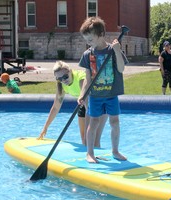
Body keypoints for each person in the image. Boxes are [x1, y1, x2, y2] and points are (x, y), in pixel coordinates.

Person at [78, 16, 127, 163]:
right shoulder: (88, 55)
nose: (88, 43)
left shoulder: (113, 50)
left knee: (115, 122)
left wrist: (118, 51)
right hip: (95, 96)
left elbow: (121, 68)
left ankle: (115, 151)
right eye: (86, 39)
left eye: (90, 39)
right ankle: (90, 153)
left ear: (101, 35)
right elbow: (87, 78)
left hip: (111, 94)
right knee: (93, 123)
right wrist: (82, 94)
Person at [38, 61, 108, 146]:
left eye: (65, 77)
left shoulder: (80, 79)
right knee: (85, 142)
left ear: (70, 71)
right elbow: (56, 107)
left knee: (93, 139)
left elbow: (87, 101)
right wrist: (45, 127)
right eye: (59, 79)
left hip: (100, 103)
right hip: (84, 104)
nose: (63, 80)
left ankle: (97, 155)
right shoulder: (61, 85)